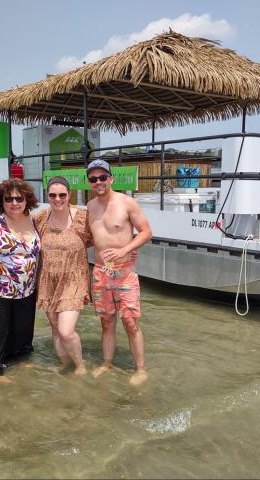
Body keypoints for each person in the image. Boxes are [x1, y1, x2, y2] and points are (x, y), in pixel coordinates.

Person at [86, 159, 152, 386]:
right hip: (100, 273)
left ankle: (141, 369)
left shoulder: (127, 203)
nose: (98, 182)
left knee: (131, 322)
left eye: (103, 177)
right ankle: (106, 363)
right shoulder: (90, 207)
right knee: (106, 322)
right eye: (93, 179)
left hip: (125, 272)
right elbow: (87, 238)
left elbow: (146, 232)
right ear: (89, 183)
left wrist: (126, 249)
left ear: (111, 179)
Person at [0, 178, 40, 381]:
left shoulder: (34, 218)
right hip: (0, 288)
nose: (14, 203)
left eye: (19, 198)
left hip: (27, 288)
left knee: (22, 330)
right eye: (8, 198)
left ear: (26, 199)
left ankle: (19, 361)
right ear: (1, 201)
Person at [35, 176, 91, 375]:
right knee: (55, 328)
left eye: (62, 195)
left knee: (66, 330)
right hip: (48, 280)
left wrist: (125, 251)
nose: (57, 199)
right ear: (47, 196)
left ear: (69, 195)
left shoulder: (83, 217)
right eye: (52, 195)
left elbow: (102, 236)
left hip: (74, 280)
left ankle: (80, 365)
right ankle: (64, 364)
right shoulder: (40, 218)